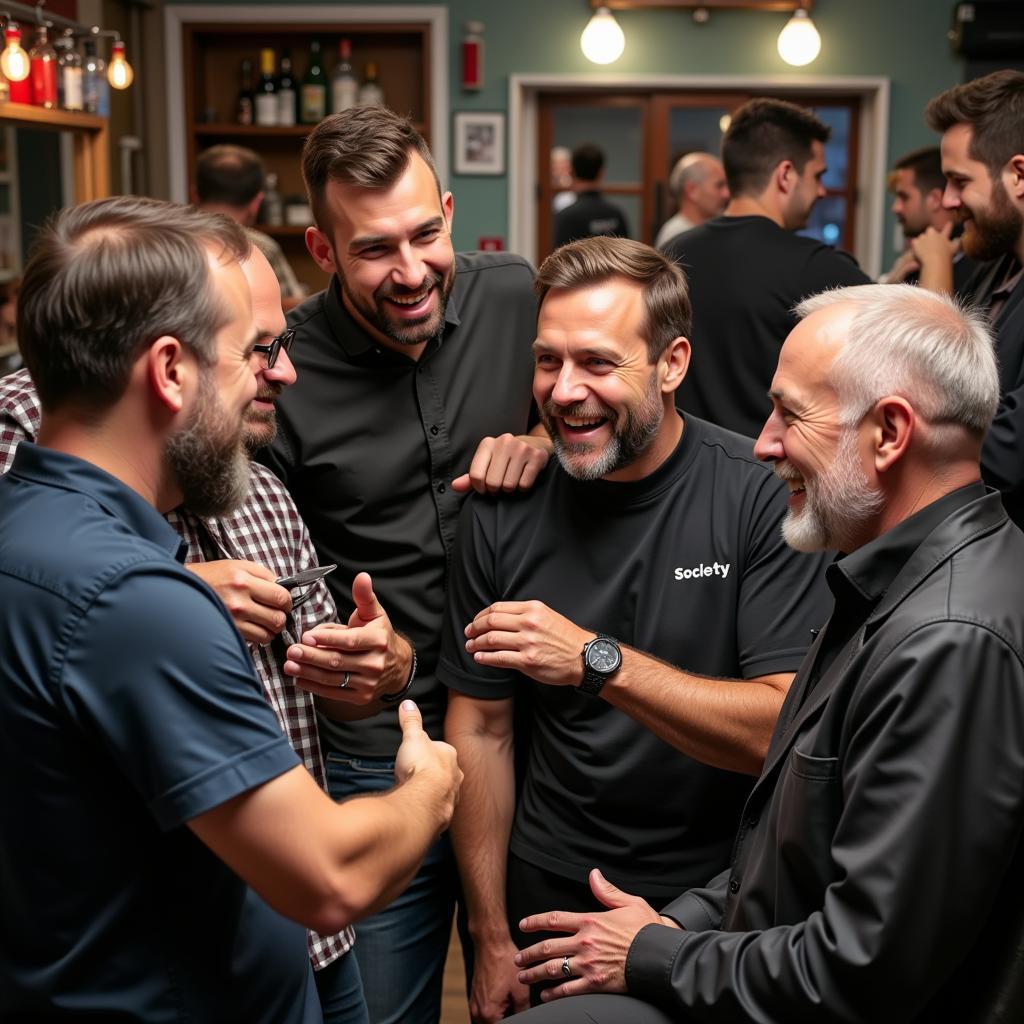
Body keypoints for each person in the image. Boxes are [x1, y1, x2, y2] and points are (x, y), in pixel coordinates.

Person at [503, 282, 1024, 1024]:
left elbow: (860, 970)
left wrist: (653, 955)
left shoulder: (949, 641)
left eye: (790, 414)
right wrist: (677, 925)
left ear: (890, 434)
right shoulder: (890, 581)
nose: (765, 442)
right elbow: (796, 852)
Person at [0, 196, 461, 1021]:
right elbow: (332, 877)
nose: (277, 373)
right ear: (171, 370)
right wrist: (430, 788)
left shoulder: (24, 527)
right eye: (252, 352)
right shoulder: (133, 597)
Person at [440, 236, 830, 1022]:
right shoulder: (501, 505)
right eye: (548, 362)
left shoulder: (758, 499)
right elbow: (480, 730)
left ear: (672, 363)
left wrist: (593, 659)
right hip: (544, 899)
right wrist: (486, 935)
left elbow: (777, 727)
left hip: (712, 899)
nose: (565, 391)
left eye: (597, 363)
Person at [258, 105, 548, 1024]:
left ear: (451, 211)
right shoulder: (282, 371)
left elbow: (609, 403)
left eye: (427, 233)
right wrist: (345, 661)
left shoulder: (517, 297)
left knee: (543, 996)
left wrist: (546, 434)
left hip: (533, 738)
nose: (413, 269)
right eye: (376, 248)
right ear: (321, 249)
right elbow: (265, 557)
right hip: (381, 753)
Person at [663, 97, 870, 440]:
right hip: (774, 477)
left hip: (686, 470)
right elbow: (918, 354)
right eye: (818, 176)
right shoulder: (817, 269)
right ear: (786, 175)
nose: (821, 191)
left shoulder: (672, 254)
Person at [926, 70, 1024, 530]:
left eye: (959, 181)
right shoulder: (991, 271)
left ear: (1019, 175)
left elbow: (1008, 450)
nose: (947, 200)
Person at [194, 143, 307, 309]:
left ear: (194, 194)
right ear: (257, 202)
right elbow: (292, 307)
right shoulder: (259, 247)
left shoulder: (172, 242)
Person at [880, 145, 980, 296]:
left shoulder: (974, 263)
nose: (896, 208)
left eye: (904, 197)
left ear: (934, 199)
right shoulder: (912, 260)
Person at [552, 144, 630, 248]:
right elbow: (626, 254)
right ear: (601, 173)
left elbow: (559, 260)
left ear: (572, 172)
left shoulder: (566, 217)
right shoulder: (615, 214)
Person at [653, 151, 729, 248]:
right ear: (692, 190)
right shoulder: (676, 237)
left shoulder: (712, 229)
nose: (726, 194)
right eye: (719, 185)